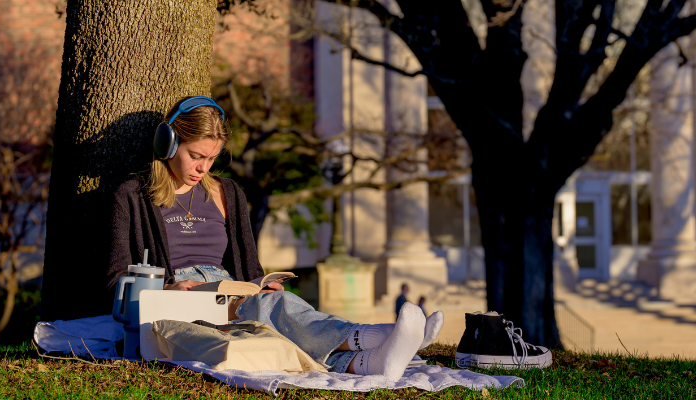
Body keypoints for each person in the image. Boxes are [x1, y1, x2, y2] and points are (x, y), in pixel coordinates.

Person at [104, 96, 443, 379]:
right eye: (196, 156)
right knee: (275, 311)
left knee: (275, 316)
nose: (203, 168)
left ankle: (368, 362)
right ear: (169, 144)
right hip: (178, 297)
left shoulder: (228, 193)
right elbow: (115, 280)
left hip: (229, 293)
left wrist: (260, 283)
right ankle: (378, 335)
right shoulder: (133, 196)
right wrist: (166, 289)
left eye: (211, 158)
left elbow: (248, 266)